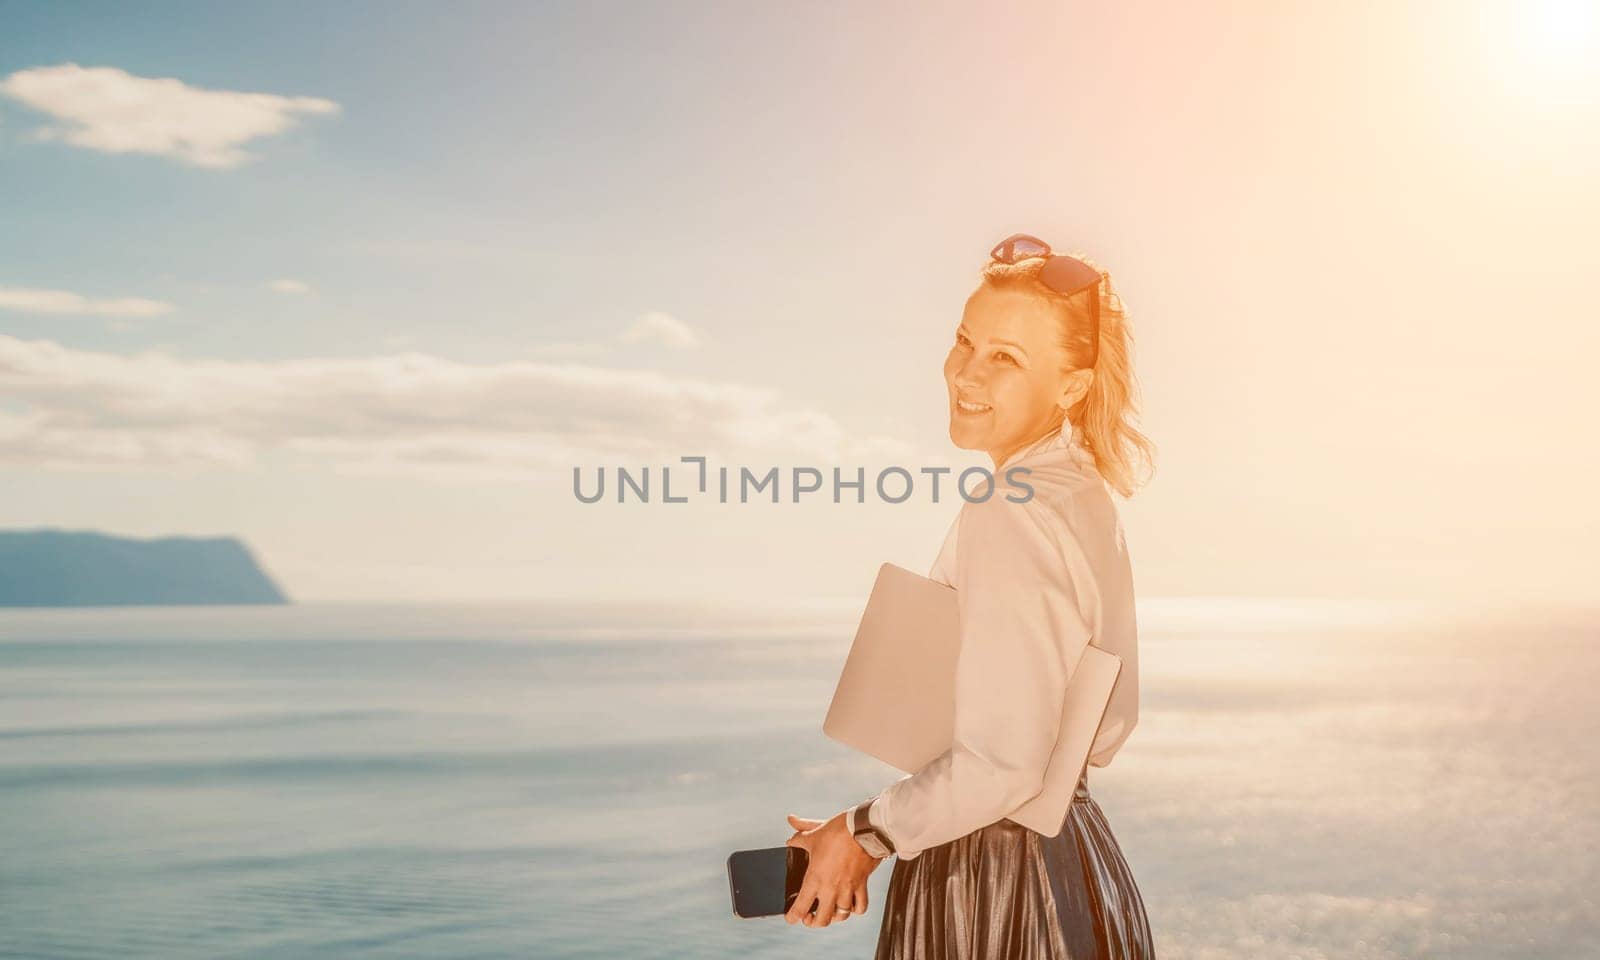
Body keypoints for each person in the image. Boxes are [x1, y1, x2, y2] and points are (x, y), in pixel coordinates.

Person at [782, 234, 1157, 959]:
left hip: (995, 884)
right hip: (1074, 862)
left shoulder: (1008, 509)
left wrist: (866, 833)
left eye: (1006, 358)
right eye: (965, 342)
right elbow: (1107, 729)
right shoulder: (1082, 494)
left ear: (1072, 387)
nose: (965, 373)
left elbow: (1006, 765)